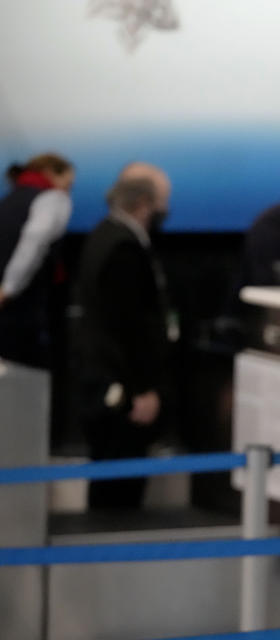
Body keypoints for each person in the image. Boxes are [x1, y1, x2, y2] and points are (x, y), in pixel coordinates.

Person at [74, 162, 174, 509]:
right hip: (120, 386)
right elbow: (130, 326)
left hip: (107, 381)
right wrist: (143, 389)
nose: (166, 210)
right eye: (163, 201)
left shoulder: (105, 234)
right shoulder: (123, 248)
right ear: (144, 202)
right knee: (119, 487)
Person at [0, 153, 74, 367]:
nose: (68, 191)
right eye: (68, 184)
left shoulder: (11, 197)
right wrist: (9, 288)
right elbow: (34, 243)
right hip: (24, 305)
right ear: (51, 173)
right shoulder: (53, 199)